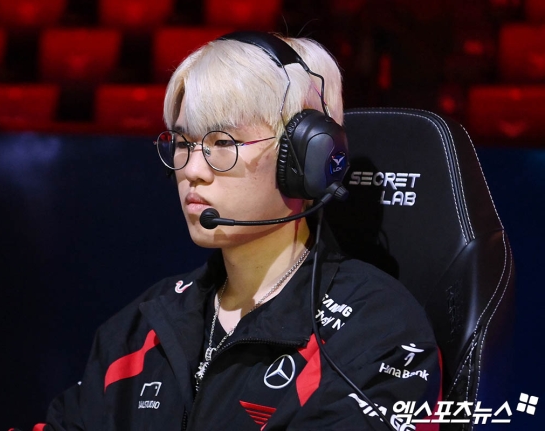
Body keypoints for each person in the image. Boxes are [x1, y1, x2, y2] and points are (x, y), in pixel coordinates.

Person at [31, 31, 441, 430]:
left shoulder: (378, 330)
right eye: (183, 142)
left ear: (305, 158)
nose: (192, 170)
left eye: (223, 142)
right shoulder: (139, 330)